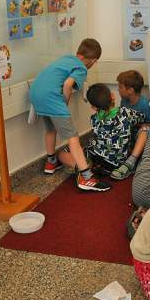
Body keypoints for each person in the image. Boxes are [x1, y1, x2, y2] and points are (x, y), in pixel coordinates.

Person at [29, 38, 110, 192]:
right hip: (52, 98)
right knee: (73, 137)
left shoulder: (67, 58)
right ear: (93, 61)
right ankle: (86, 177)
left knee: (51, 129)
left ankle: (51, 162)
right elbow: (67, 84)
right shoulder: (82, 68)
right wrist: (64, 103)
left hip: (35, 94)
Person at [85, 83, 149, 179]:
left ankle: (88, 164)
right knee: (146, 129)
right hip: (117, 163)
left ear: (94, 107)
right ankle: (129, 164)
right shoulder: (125, 112)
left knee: (89, 143)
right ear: (113, 96)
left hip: (98, 157)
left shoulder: (93, 118)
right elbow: (142, 117)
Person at [113, 70, 150, 179]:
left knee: (145, 129)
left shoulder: (145, 105)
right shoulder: (124, 101)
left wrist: (138, 125)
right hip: (127, 138)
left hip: (140, 138)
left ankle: (131, 161)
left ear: (130, 90)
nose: (118, 89)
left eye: (120, 87)